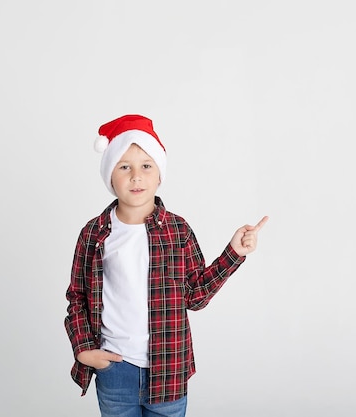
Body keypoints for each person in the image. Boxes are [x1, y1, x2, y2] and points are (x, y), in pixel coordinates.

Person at [64, 114, 268, 417]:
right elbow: (77, 298)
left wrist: (234, 252)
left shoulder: (177, 230)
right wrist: (84, 351)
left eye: (146, 166)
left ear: (159, 174)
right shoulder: (94, 233)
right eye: (124, 167)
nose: (136, 176)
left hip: (168, 370)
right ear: (110, 176)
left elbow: (195, 296)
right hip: (115, 370)